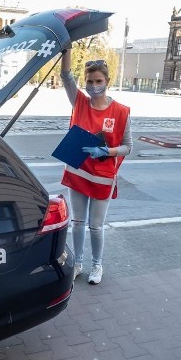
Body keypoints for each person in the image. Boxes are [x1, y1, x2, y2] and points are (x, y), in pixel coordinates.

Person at [60, 48, 133, 285]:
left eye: (98, 81)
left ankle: (97, 265)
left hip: (102, 175)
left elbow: (127, 146)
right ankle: (79, 262)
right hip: (79, 171)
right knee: (78, 222)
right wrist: (67, 48)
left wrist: (107, 151)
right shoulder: (79, 102)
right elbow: (66, 76)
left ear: (107, 82)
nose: (93, 85)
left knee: (96, 226)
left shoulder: (121, 112)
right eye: (90, 81)